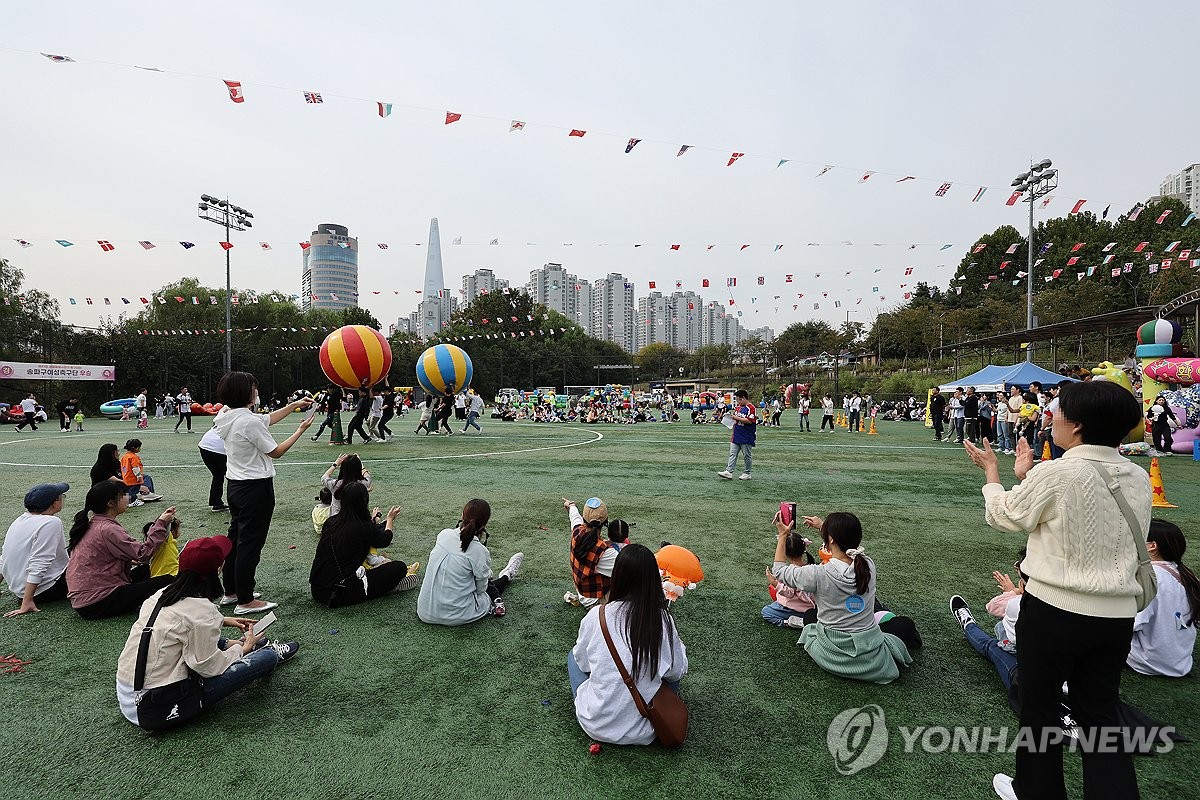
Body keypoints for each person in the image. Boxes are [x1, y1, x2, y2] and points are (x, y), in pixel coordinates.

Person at [964, 381, 1150, 800]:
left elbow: (1005, 515)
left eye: (1058, 410)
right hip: (1116, 615)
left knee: (1040, 710)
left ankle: (1036, 790)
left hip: (1055, 612)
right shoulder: (1136, 476)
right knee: (1100, 715)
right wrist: (1029, 477)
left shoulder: (1059, 471)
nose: (1051, 416)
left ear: (1078, 425)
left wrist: (993, 476)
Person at [115, 535, 300, 730]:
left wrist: (222, 621)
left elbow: (183, 624)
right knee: (266, 658)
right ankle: (263, 650)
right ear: (217, 569)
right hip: (155, 706)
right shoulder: (203, 614)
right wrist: (243, 650)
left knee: (197, 639)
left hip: (128, 693)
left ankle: (244, 644)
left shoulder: (160, 594)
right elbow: (210, 668)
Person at [212, 371, 313, 615]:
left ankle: (232, 591)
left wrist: (293, 406)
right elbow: (275, 452)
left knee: (236, 540)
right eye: (254, 388)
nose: (257, 391)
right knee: (250, 544)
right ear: (246, 393)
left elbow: (266, 419)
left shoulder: (226, 415)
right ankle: (246, 600)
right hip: (255, 488)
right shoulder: (248, 421)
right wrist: (300, 430)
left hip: (235, 485)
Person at [567, 544, 688, 745]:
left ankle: (605, 701)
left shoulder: (596, 616)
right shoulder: (663, 620)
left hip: (595, 724)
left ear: (617, 577)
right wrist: (677, 646)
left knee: (573, 656)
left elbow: (583, 664)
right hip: (648, 728)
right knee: (670, 666)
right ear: (652, 579)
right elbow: (676, 673)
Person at [771, 511, 912, 683]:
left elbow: (778, 570)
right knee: (899, 624)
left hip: (832, 655)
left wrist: (783, 536)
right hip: (872, 659)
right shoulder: (868, 565)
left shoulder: (817, 574)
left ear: (830, 539)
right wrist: (825, 528)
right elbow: (848, 548)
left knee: (810, 617)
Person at [65, 481, 177, 619]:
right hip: (98, 602)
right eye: (123, 495)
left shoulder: (93, 524)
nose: (128, 497)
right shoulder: (108, 529)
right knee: (169, 579)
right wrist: (161, 523)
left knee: (146, 571)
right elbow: (143, 554)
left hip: (87, 597)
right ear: (111, 503)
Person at [309, 483, 419, 607]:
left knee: (368, 565)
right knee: (399, 567)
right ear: (364, 501)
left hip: (317, 589)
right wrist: (390, 519)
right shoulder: (363, 526)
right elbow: (385, 539)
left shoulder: (331, 522)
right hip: (338, 593)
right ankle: (391, 586)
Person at [416, 499, 524, 624]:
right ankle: (507, 575)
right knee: (486, 588)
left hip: (425, 613)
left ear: (462, 515)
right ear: (485, 524)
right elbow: (480, 590)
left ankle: (506, 575)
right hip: (459, 615)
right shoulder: (480, 551)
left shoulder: (443, 535)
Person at [1127, 520, 1199, 678]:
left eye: (1138, 539)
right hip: (1180, 663)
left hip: (1147, 661)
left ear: (1152, 546)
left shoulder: (1151, 577)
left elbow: (1129, 625)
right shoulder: (1187, 575)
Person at [1, 482, 71, 617]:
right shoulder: (51, 522)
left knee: (73, 550)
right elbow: (41, 561)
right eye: (61, 496)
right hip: (45, 590)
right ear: (53, 503)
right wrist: (27, 601)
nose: (62, 499)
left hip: (20, 589)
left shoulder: (20, 520)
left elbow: (4, 556)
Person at [562, 497, 619, 608]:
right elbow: (630, 569)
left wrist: (571, 505)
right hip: (596, 601)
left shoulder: (577, 531)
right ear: (606, 521)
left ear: (584, 519)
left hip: (583, 592)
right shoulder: (605, 553)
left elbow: (574, 516)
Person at [762, 530, 816, 628]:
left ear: (784, 552)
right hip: (811, 607)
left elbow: (789, 593)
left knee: (766, 612)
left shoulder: (792, 572)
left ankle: (790, 622)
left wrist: (774, 582)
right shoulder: (812, 567)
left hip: (796, 608)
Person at [717, 389, 756, 480]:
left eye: (738, 400)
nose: (738, 402)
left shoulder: (751, 408)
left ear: (743, 398)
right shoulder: (738, 408)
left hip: (746, 436)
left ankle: (747, 473)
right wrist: (729, 418)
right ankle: (729, 471)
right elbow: (735, 419)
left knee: (747, 455)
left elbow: (749, 421)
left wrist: (735, 417)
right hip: (736, 434)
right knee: (732, 454)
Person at [120, 439, 161, 506]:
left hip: (126, 477)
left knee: (129, 490)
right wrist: (138, 476)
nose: (139, 449)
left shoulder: (124, 457)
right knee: (134, 490)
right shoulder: (134, 457)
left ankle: (130, 501)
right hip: (132, 478)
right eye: (139, 447)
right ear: (134, 448)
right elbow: (135, 468)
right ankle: (132, 502)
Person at [198, 423, 228, 512]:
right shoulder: (241, 416)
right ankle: (237, 505)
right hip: (217, 449)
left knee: (218, 475)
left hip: (204, 446)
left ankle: (216, 503)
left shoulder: (224, 412)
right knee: (233, 477)